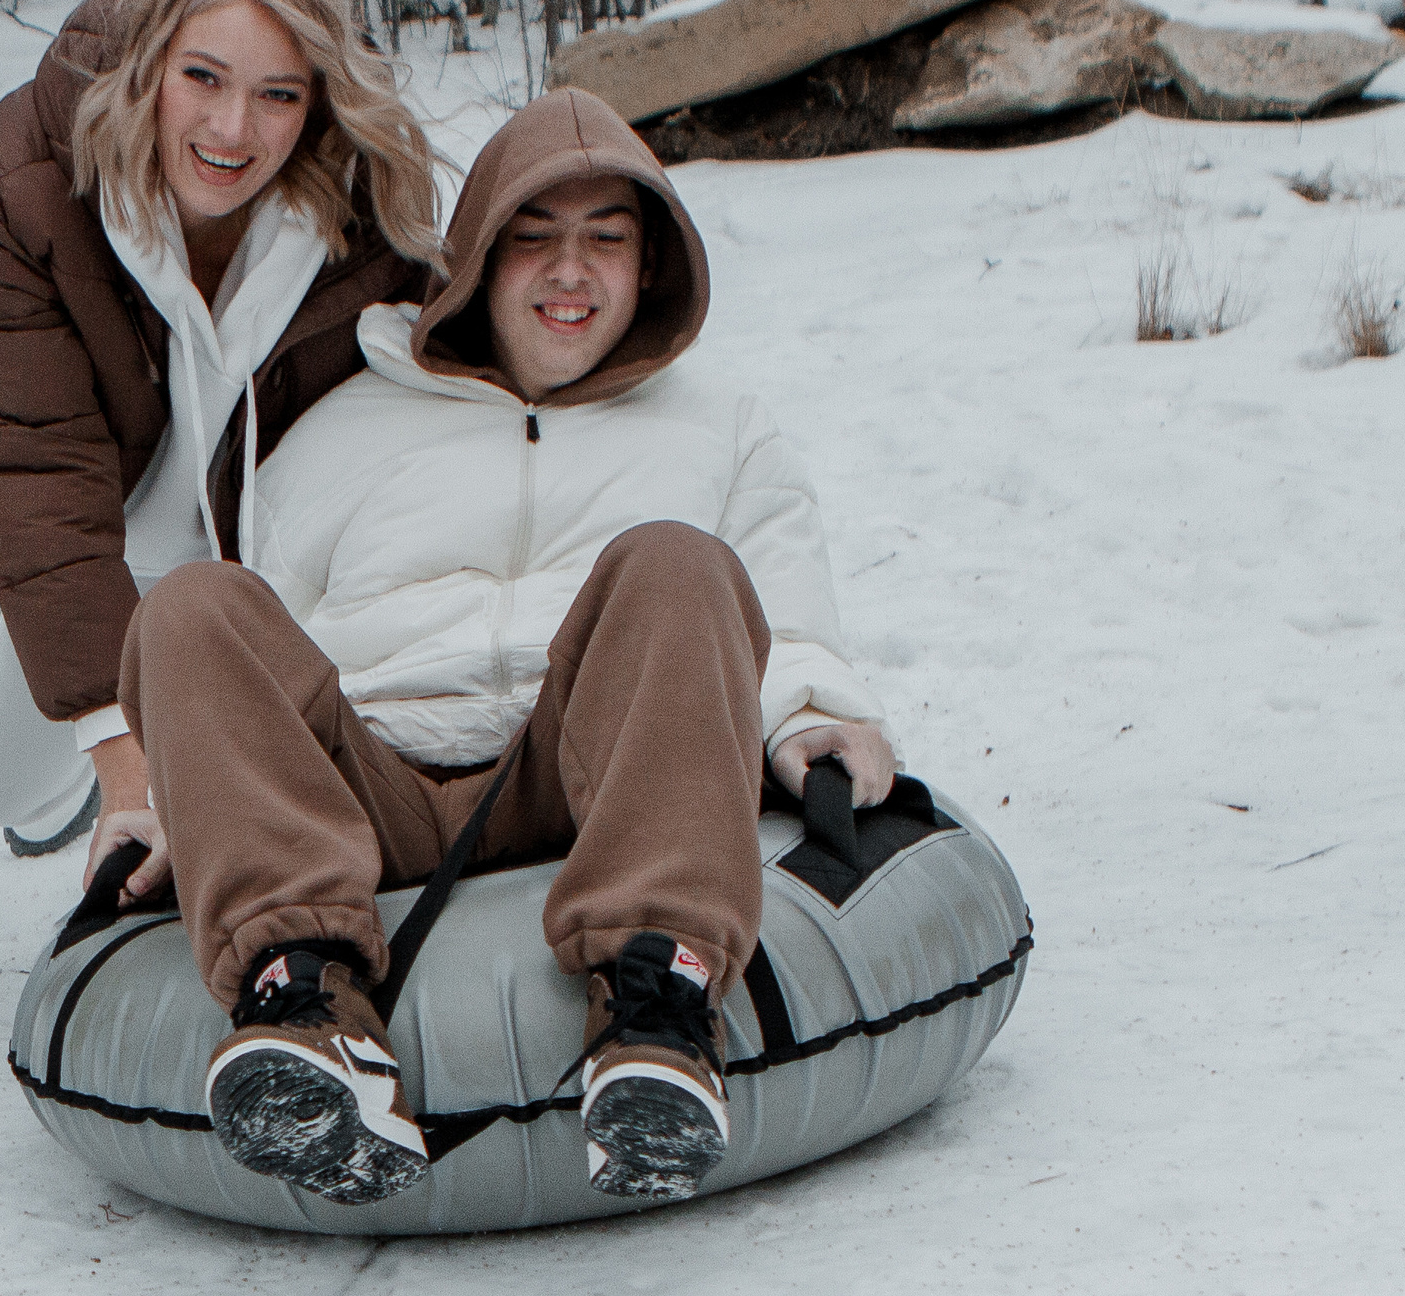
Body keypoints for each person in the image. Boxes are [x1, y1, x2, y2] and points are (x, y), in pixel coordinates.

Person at [108, 87, 896, 1206]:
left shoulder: (720, 424)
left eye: (607, 240)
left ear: (651, 266)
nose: (571, 273)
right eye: (534, 237)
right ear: (476, 257)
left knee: (677, 558)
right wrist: (180, 789)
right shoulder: (347, 422)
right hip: (364, 782)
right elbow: (253, 644)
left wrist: (814, 708)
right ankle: (305, 1005)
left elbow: (788, 606)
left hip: (578, 766)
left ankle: (655, 1005)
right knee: (191, 603)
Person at [0, 0, 443, 1057]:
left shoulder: (355, 202)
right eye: (204, 78)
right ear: (149, 65)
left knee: (10, 774)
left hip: (184, 529)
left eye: (280, 94)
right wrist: (128, 762)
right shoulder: (15, 178)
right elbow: (31, 477)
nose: (235, 128)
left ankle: (38, 783)